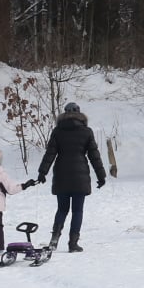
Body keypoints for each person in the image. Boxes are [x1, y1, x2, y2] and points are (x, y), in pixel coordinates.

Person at [36, 101, 106, 253]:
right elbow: (94, 156)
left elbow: (50, 153)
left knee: (61, 210)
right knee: (77, 211)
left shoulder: (57, 131)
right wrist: (101, 176)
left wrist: (42, 172)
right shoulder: (87, 131)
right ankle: (73, 243)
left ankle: (54, 239)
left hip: (61, 175)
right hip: (80, 177)